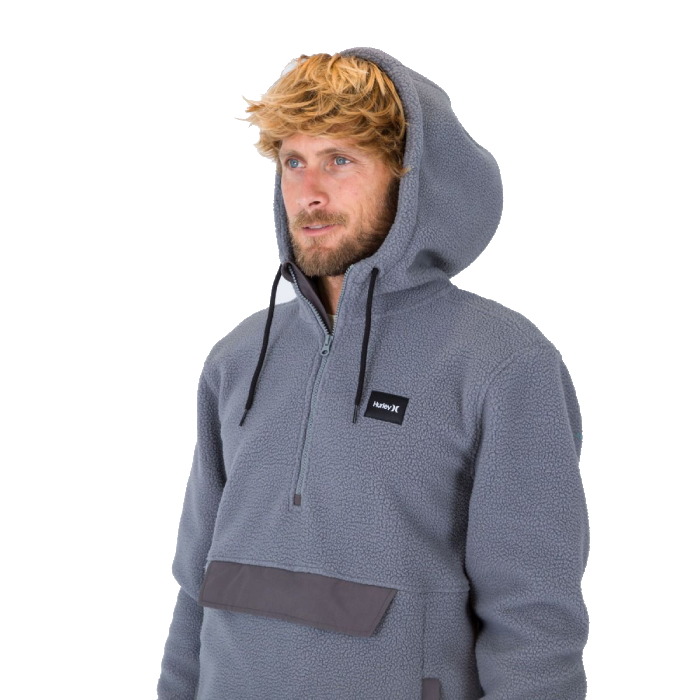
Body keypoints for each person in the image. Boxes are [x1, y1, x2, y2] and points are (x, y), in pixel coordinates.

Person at [156, 47, 590, 700]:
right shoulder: (237, 358)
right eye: (293, 162)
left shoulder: (503, 363)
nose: (310, 191)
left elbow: (534, 622)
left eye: (340, 159)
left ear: (408, 179)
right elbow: (198, 586)